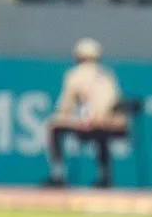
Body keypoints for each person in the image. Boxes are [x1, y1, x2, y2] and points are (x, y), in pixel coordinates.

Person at [45, 38, 126, 189]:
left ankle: (58, 174)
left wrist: (69, 118)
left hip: (94, 123)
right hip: (116, 124)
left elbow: (64, 107)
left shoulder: (75, 74)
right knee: (101, 133)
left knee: (53, 126)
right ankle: (104, 175)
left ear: (78, 57)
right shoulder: (107, 74)